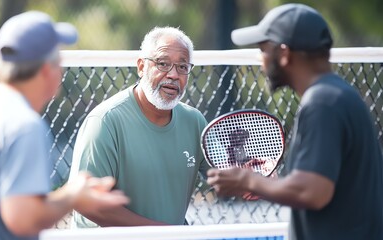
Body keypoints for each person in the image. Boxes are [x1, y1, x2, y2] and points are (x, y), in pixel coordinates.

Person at [207, 3, 383, 240]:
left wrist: (247, 179)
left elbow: (313, 191)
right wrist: (264, 185)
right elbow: (326, 187)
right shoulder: (340, 96)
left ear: (284, 53)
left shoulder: (322, 103)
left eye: (263, 50)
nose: (261, 61)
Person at [0, 11, 129, 240]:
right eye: (59, 60)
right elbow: (22, 218)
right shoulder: (23, 125)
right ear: (48, 70)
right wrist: (72, 196)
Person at [69, 26, 210, 227]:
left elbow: (221, 176)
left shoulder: (195, 121)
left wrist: (251, 179)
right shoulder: (104, 122)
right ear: (142, 67)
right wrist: (160, 233)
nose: (173, 75)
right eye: (163, 64)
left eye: (182, 67)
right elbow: (86, 202)